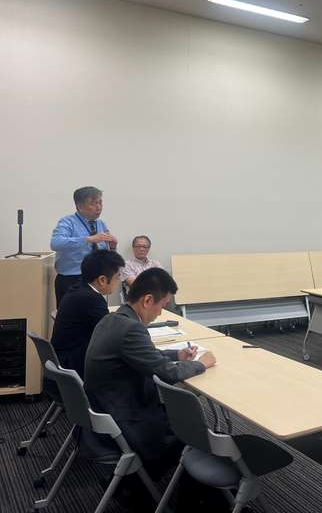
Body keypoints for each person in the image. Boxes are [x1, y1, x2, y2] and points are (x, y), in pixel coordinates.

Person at [84, 268, 216, 477]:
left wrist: (177, 354)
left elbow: (145, 355)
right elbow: (168, 374)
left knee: (183, 416)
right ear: (147, 300)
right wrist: (202, 363)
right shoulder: (131, 329)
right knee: (197, 431)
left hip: (103, 412)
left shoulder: (112, 319)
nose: (161, 313)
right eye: (162, 305)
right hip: (126, 421)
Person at [51, 250, 125, 378]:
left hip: (64, 361)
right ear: (102, 280)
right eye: (118, 276)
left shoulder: (79, 288)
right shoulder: (91, 299)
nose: (120, 280)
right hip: (74, 366)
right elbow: (112, 336)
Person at [50, 186, 118, 306]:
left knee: (95, 315)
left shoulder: (101, 224)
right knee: (71, 315)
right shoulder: (67, 222)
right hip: (72, 280)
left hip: (96, 280)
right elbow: (56, 243)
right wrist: (88, 239)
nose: (99, 207)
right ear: (79, 206)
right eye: (93, 203)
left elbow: (103, 255)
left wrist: (112, 247)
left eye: (100, 202)